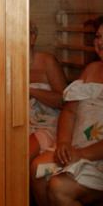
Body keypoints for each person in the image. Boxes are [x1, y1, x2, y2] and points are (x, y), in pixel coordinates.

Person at [30, 16, 103, 206]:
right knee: (37, 170)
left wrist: (82, 153)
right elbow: (70, 111)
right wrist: (63, 142)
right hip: (76, 147)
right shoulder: (92, 70)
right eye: (98, 37)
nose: (101, 42)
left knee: (58, 187)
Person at [28, 22, 67, 161]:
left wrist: (31, 91)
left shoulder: (47, 61)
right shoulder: (6, 63)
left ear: (33, 38)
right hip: (19, 123)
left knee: (22, 155)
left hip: (47, 123)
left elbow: (63, 101)